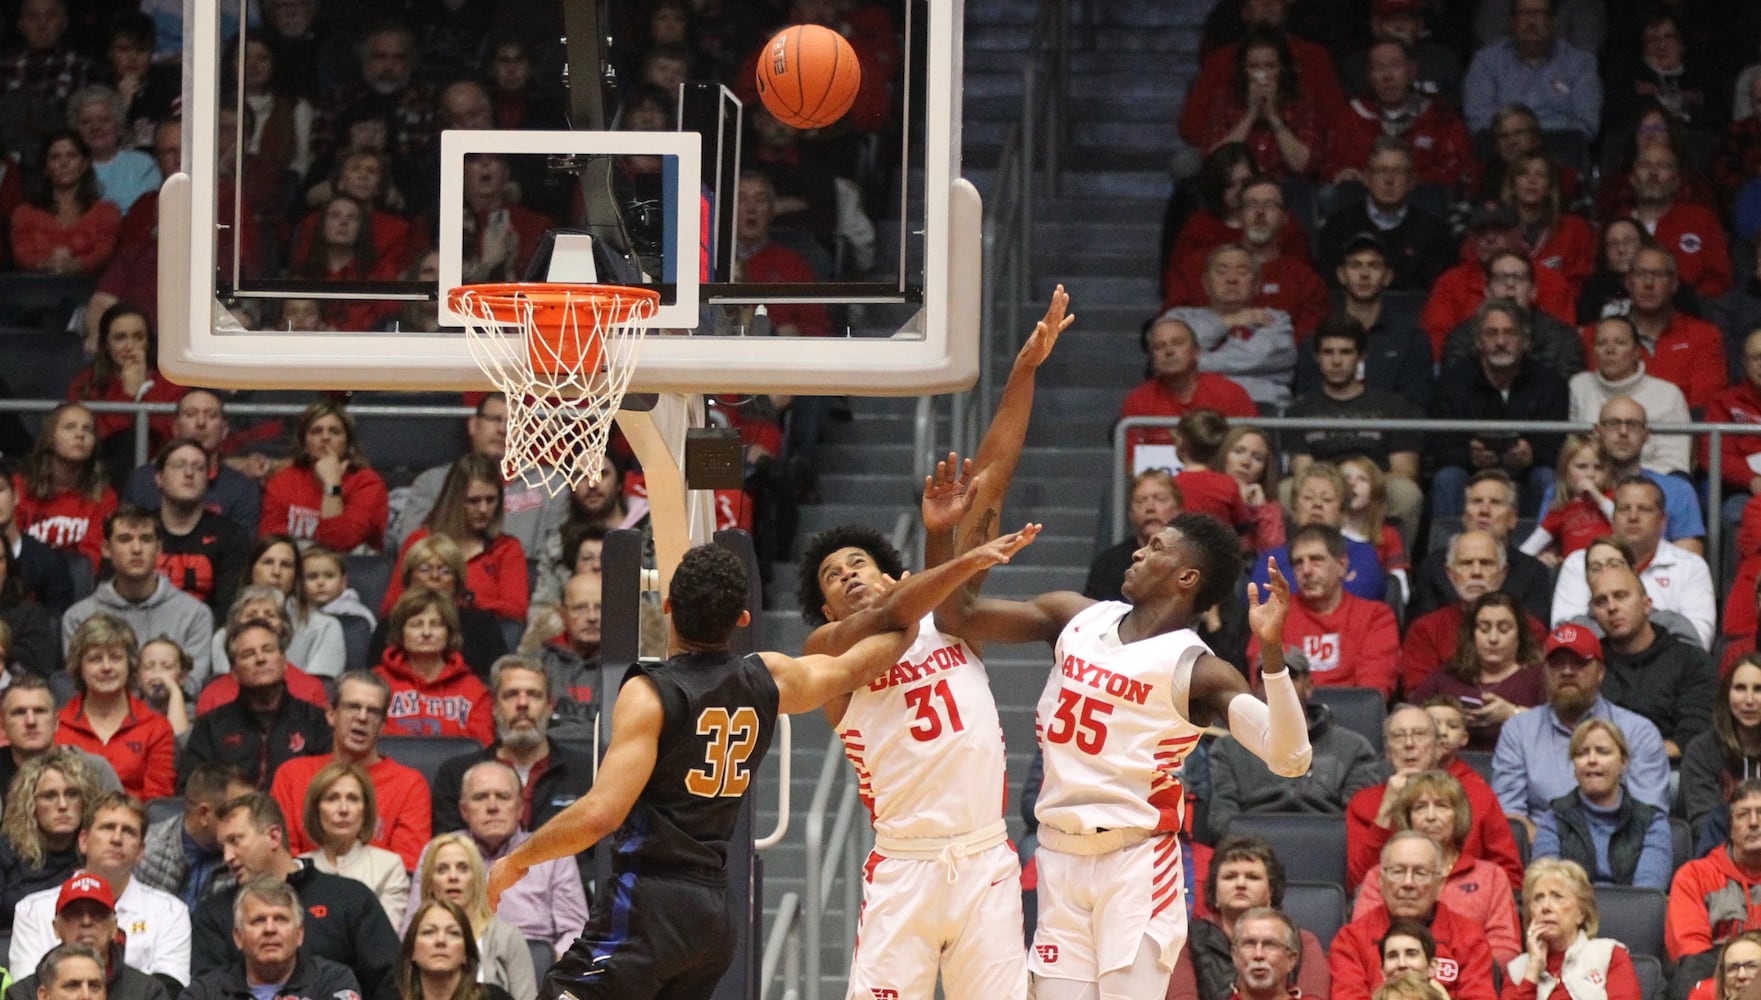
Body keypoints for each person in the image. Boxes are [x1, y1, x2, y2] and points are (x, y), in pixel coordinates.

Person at [486, 541, 1024, 999]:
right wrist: (917, 595)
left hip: (647, 901)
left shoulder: (649, 692)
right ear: (743, 619)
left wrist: (518, 860)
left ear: (667, 608)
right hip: (715, 916)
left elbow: (599, 815)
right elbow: (869, 653)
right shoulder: (768, 676)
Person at [924, 503, 1309, 997]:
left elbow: (1291, 757)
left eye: (1156, 549)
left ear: (1186, 577)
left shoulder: (1199, 668)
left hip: (1136, 863)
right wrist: (947, 542)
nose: (1138, 552)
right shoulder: (1075, 616)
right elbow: (958, 615)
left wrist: (1272, 651)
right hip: (1060, 855)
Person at [192, 794, 398, 998]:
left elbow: (390, 981)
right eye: (223, 847)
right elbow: (208, 990)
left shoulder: (349, 898)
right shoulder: (213, 913)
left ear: (273, 836)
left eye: (235, 841)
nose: (227, 857)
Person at [1493, 624, 1670, 829]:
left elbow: (1649, 819)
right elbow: (1509, 817)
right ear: (1545, 672)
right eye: (1557, 664)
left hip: (1619, 851)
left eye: (1579, 663)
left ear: (1600, 673)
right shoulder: (1518, 731)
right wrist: (1550, 846)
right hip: (1540, 853)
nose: (1567, 671)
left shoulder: (1639, 732)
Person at [8, 793, 189, 985]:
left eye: (128, 831)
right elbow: (26, 991)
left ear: (141, 851)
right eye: (107, 827)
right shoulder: (32, 910)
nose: (117, 839)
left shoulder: (170, 912)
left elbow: (169, 990)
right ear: (83, 840)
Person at [1346, 704, 1527, 891]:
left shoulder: (1477, 795)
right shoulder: (1363, 803)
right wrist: (1386, 810)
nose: (1409, 744)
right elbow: (1359, 882)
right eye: (1399, 736)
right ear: (1388, 753)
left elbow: (1510, 876)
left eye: (1419, 734)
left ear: (1438, 747)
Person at [1352, 771, 1524, 965]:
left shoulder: (1491, 877)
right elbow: (1362, 942)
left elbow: (1505, 949)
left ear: (1458, 815)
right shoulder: (1382, 875)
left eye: (1442, 806)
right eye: (1420, 807)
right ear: (1408, 818)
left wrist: (1450, 971)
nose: (1431, 817)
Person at [1206, 650, 1380, 839]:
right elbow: (1221, 820)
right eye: (1267, 678)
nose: (1278, 686)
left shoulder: (1354, 748)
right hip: (1251, 852)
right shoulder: (1228, 749)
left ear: (1309, 687)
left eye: (1289, 676)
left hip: (1329, 851)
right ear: (1255, 689)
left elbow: (1359, 823)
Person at [269, 671, 429, 869]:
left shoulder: (409, 784)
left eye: (373, 711)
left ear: (383, 725)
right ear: (331, 714)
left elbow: (406, 868)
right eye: (353, 707)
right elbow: (282, 857)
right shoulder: (292, 775)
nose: (362, 717)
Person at [1428, 301, 1569, 519]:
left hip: (1528, 472)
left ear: (1524, 341)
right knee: (1447, 478)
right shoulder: (1453, 382)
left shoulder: (1550, 383)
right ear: (1478, 341)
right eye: (1491, 334)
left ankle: (1540, 551)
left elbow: (1559, 447)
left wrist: (1532, 454)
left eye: (1510, 333)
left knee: (1547, 478)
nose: (1501, 342)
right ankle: (1448, 550)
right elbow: (1437, 446)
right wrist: (1469, 455)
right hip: (1469, 471)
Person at [431, 656, 596, 839]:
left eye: (534, 695)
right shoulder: (456, 775)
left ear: (550, 706)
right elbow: (448, 853)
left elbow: (595, 857)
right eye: (511, 695)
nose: (522, 704)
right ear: (494, 706)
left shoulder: (588, 773)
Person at [1283, 318, 1423, 533]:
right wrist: (1335, 488)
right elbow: (1304, 472)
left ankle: (1397, 564)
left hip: (1376, 486)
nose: (1336, 361)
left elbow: (1405, 471)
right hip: (1322, 487)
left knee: (1406, 492)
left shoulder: (1393, 406)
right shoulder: (1299, 410)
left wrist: (1362, 484)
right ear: (1316, 357)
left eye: (1346, 352)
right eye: (1328, 352)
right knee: (1286, 490)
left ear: (1361, 356)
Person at [388, 395, 566, 560]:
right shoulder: (433, 483)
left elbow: (557, 555)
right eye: (495, 419)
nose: (503, 430)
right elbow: (412, 550)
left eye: (515, 423)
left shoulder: (551, 484)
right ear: (473, 425)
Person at [1330, 831, 1498, 1000]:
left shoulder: (1469, 937)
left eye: (1420, 873)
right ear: (1380, 881)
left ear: (1439, 884)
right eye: (1398, 871)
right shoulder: (1351, 940)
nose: (1408, 883)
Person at [1551, 477, 1715, 650]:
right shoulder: (1579, 563)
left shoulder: (1690, 566)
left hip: (1666, 672)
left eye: (1644, 509)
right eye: (1624, 509)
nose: (1633, 516)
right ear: (1612, 517)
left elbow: (1697, 641)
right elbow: (1565, 635)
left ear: (1663, 520)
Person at [448, 762, 586, 958]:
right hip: (458, 964)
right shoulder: (442, 853)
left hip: (536, 965)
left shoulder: (553, 853)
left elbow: (576, 931)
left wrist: (544, 965)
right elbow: (414, 927)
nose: (493, 807)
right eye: (480, 797)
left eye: (503, 797)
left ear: (520, 808)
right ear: (464, 810)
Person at [1165, 836, 1330, 1000]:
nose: (1240, 884)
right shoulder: (1186, 939)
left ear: (1271, 891)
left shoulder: (1302, 941)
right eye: (1230, 876)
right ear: (1215, 891)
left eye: (1252, 877)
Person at [177, 617, 332, 790]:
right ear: (234, 672)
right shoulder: (211, 725)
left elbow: (329, 784)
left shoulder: (315, 720)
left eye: (268, 650)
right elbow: (192, 789)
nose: (260, 658)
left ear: (284, 662)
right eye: (248, 654)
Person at [60, 507, 213, 679]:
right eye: (125, 539)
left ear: (159, 549)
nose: (137, 549)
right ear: (106, 549)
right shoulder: (79, 618)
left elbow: (190, 686)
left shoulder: (194, 615)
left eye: (146, 539)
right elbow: (81, 684)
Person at [1251, 523, 1399, 697]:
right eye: (1298, 563)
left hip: (1353, 719)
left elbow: (1372, 693)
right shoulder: (1276, 614)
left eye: (1316, 560)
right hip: (1288, 717)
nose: (1306, 570)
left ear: (1341, 566)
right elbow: (1263, 686)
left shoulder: (1375, 616)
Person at [381, 455, 527, 625]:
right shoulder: (420, 541)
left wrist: (459, 597)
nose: (483, 509)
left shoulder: (507, 548)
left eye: (491, 500)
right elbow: (390, 607)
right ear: (455, 499)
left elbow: (516, 611)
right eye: (473, 501)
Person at [1589, 563, 1716, 758]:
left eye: (1621, 596)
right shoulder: (1587, 664)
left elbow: (1694, 739)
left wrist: (1626, 756)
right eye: (1601, 601)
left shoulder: (1692, 662)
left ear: (1646, 605)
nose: (1612, 607)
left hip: (1670, 771)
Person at [1530, 719, 1672, 889]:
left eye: (1602, 752)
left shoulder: (1652, 823)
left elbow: (1646, 898)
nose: (1591, 760)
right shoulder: (1554, 818)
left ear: (1624, 762)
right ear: (1574, 766)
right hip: (1569, 914)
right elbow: (1548, 888)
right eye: (1582, 753)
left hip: (1632, 914)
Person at [1301, 233, 1435, 408]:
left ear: (1388, 276)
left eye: (1374, 265)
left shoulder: (1412, 340)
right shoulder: (1315, 340)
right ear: (1341, 274)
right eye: (1355, 265)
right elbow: (1308, 403)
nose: (1364, 274)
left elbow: (1416, 406)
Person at [1180, 28, 1329, 182]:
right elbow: (1218, 165)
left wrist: (1273, 116)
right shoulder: (1224, 99)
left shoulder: (1303, 101)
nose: (1262, 74)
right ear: (1243, 69)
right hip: (1236, 188)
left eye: (1270, 66)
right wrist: (1250, 115)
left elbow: (1303, 166)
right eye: (1254, 66)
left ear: (1282, 69)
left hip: (1286, 188)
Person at [1161, 245, 1299, 409]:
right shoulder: (1180, 318)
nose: (1231, 279)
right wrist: (1228, 322)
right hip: (1193, 410)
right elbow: (1170, 354)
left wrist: (1190, 363)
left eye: (1242, 272)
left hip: (1261, 409)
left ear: (1257, 285)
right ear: (1205, 283)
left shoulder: (1275, 319)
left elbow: (1258, 358)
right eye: (1221, 271)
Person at [183, 877, 364, 1000]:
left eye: (280, 919)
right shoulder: (205, 993)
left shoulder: (333, 981)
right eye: (258, 920)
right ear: (238, 937)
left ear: (299, 934)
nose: (270, 929)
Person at [54, 615, 174, 800]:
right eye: (95, 659)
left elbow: (158, 804)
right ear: (79, 667)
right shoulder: (56, 725)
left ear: (130, 663)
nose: (107, 667)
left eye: (116, 657)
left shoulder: (156, 727)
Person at [1326, 48, 1474, 198]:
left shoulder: (1441, 116)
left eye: (1395, 65)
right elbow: (1330, 166)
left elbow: (1457, 170)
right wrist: (1342, 174)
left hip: (1425, 203)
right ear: (1369, 75)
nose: (1388, 76)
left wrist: (1406, 182)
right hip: (1360, 204)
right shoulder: (1349, 116)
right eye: (1379, 67)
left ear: (1412, 70)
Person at [1411, 471, 1554, 623]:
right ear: (1465, 516)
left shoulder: (1533, 572)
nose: (1484, 510)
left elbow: (1534, 634)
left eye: (1495, 502)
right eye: (1477, 501)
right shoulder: (1434, 566)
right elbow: (1420, 629)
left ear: (1512, 519)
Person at [1412, 593, 1547, 751]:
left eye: (1504, 629)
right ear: (1471, 634)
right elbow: (1409, 717)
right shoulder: (1446, 677)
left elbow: (1560, 728)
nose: (1493, 638)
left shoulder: (1539, 677)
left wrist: (1514, 713)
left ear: (1520, 635)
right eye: (1484, 629)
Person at [1319, 140, 1456, 292]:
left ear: (1411, 181)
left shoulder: (1435, 232)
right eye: (1381, 170)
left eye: (1398, 171)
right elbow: (1330, 289)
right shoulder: (1338, 226)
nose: (1389, 180)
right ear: (1366, 178)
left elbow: (1438, 292)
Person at [4, 874, 168, 1000]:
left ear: (114, 928)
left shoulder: (147, 993)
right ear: (56, 928)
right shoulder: (22, 994)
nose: (86, 922)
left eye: (98, 914)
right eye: (74, 914)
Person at [1117, 316, 1257, 462]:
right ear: (1153, 358)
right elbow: (1131, 461)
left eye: (1178, 343)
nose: (1169, 351)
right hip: (1160, 481)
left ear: (1196, 352)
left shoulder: (1230, 393)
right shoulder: (1138, 399)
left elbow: (1251, 448)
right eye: (1159, 346)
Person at [67, 305, 180, 484]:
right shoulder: (85, 384)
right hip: (99, 473)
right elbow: (97, 440)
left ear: (148, 342)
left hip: (160, 472)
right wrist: (127, 394)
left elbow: (170, 437)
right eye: (120, 338)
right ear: (105, 345)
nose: (129, 346)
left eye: (138, 337)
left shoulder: (170, 381)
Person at [121, 390, 261, 534]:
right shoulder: (142, 481)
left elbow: (241, 551)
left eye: (211, 415)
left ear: (224, 430)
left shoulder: (242, 489)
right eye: (191, 414)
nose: (201, 423)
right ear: (175, 427)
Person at [1666, 780, 1761, 991]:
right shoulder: (1694, 877)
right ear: (1730, 828)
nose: (1754, 822)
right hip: (1716, 985)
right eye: (1743, 814)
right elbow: (1691, 957)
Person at [1505, 858, 1643, 1000]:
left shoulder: (1608, 956)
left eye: (1557, 897)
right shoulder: (1517, 970)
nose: (1545, 907)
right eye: (1538, 898)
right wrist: (1533, 970)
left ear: (1581, 913)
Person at [1568, 320, 1692, 477]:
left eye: (1620, 343)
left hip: (1652, 486)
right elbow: (1573, 452)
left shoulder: (1668, 394)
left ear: (1637, 352)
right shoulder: (1580, 386)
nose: (1610, 350)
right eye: (1601, 343)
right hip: (1592, 481)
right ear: (1593, 351)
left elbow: (1674, 463)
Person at [1437, 251, 1587, 382]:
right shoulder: (1462, 337)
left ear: (1533, 291)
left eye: (1519, 278)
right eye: (1501, 278)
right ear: (1487, 291)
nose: (1510, 284)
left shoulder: (1563, 339)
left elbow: (1564, 394)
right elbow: (1455, 388)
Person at [209, 537, 345, 679]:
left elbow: (321, 690)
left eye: (286, 565)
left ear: (296, 575)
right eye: (267, 562)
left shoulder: (325, 627)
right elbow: (223, 691)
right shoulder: (223, 637)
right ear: (251, 570)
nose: (276, 572)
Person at [1462, 0, 1602, 138]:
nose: (1531, 21)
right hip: (1503, 151)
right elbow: (1478, 122)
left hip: (1560, 153)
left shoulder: (1581, 63)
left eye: (1539, 13)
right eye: (1523, 13)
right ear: (1512, 22)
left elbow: (1586, 125)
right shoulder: (1486, 62)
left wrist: (1533, 142)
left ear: (1553, 22)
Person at [260, 402, 388, 552]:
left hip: (352, 569)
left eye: (334, 431)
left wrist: (332, 485)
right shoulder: (283, 481)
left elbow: (340, 542)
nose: (325, 437)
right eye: (316, 431)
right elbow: (270, 542)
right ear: (304, 444)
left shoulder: (367, 483)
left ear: (347, 443)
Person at [374, 589, 494, 743]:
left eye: (436, 624)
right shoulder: (376, 683)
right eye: (416, 624)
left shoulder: (474, 690)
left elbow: (480, 748)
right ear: (401, 632)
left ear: (449, 633)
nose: (426, 632)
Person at [298, 759, 408, 926]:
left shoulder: (388, 867)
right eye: (332, 798)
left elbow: (384, 938)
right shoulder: (298, 870)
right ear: (316, 809)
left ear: (365, 810)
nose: (343, 809)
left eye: (353, 799)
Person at [0, 748, 100, 930]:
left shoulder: (96, 854)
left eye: (72, 794)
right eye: (50, 796)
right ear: (29, 804)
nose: (63, 805)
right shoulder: (5, 852)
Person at [150, 438, 251, 618]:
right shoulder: (139, 531)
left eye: (198, 468)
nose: (189, 473)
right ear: (159, 478)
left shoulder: (231, 536)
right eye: (179, 465)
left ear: (207, 479)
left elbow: (227, 611)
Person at [13, 403, 118, 575]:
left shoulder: (104, 496)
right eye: (70, 427)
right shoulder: (18, 486)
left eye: (88, 430)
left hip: (76, 586)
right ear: (50, 438)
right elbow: (10, 546)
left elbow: (91, 559)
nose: (80, 435)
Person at [134, 762, 254, 909]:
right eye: (236, 812)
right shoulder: (146, 851)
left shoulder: (247, 855)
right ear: (204, 813)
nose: (247, 821)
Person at [1626, 245, 1728, 410]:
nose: (1648, 283)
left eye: (1658, 275)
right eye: (1640, 274)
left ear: (1674, 284)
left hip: (1685, 433)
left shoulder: (1704, 335)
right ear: (1628, 282)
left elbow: (1704, 406)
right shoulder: (1602, 336)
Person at [1628, 146, 1731, 301]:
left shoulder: (1701, 220)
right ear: (1633, 178)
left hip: (1691, 315)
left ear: (1677, 180)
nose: (1653, 173)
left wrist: (1686, 304)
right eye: (1645, 165)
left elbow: (1719, 279)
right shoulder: (1617, 226)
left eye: (1663, 166)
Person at [9, 131, 120, 275]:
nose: (64, 163)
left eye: (72, 156)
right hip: (38, 288)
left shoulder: (106, 211)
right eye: (55, 157)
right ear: (45, 168)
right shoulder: (24, 213)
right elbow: (22, 254)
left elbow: (105, 252)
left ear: (85, 164)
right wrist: (45, 264)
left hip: (90, 288)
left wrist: (77, 265)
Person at [1682, 657, 1761, 854]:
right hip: (1723, 862)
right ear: (1727, 695)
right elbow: (1705, 826)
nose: (1749, 700)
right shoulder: (1701, 750)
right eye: (1740, 688)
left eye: (1759, 689)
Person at [1086, 472, 1182, 602]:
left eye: (1160, 499)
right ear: (1131, 514)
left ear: (1178, 509)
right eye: (1141, 500)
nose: (1150, 508)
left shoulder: (1192, 560)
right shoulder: (1107, 565)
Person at [394, 898, 513, 1000]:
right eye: (429, 932)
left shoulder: (494, 997)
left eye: (453, 933)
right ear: (412, 951)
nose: (440, 940)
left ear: (466, 953)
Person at [1217, 424, 1285, 554]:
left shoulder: (1269, 506)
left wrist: (1261, 510)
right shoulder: (1205, 492)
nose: (1246, 462)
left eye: (1257, 458)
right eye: (1238, 451)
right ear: (1223, 454)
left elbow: (1274, 558)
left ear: (1265, 469)